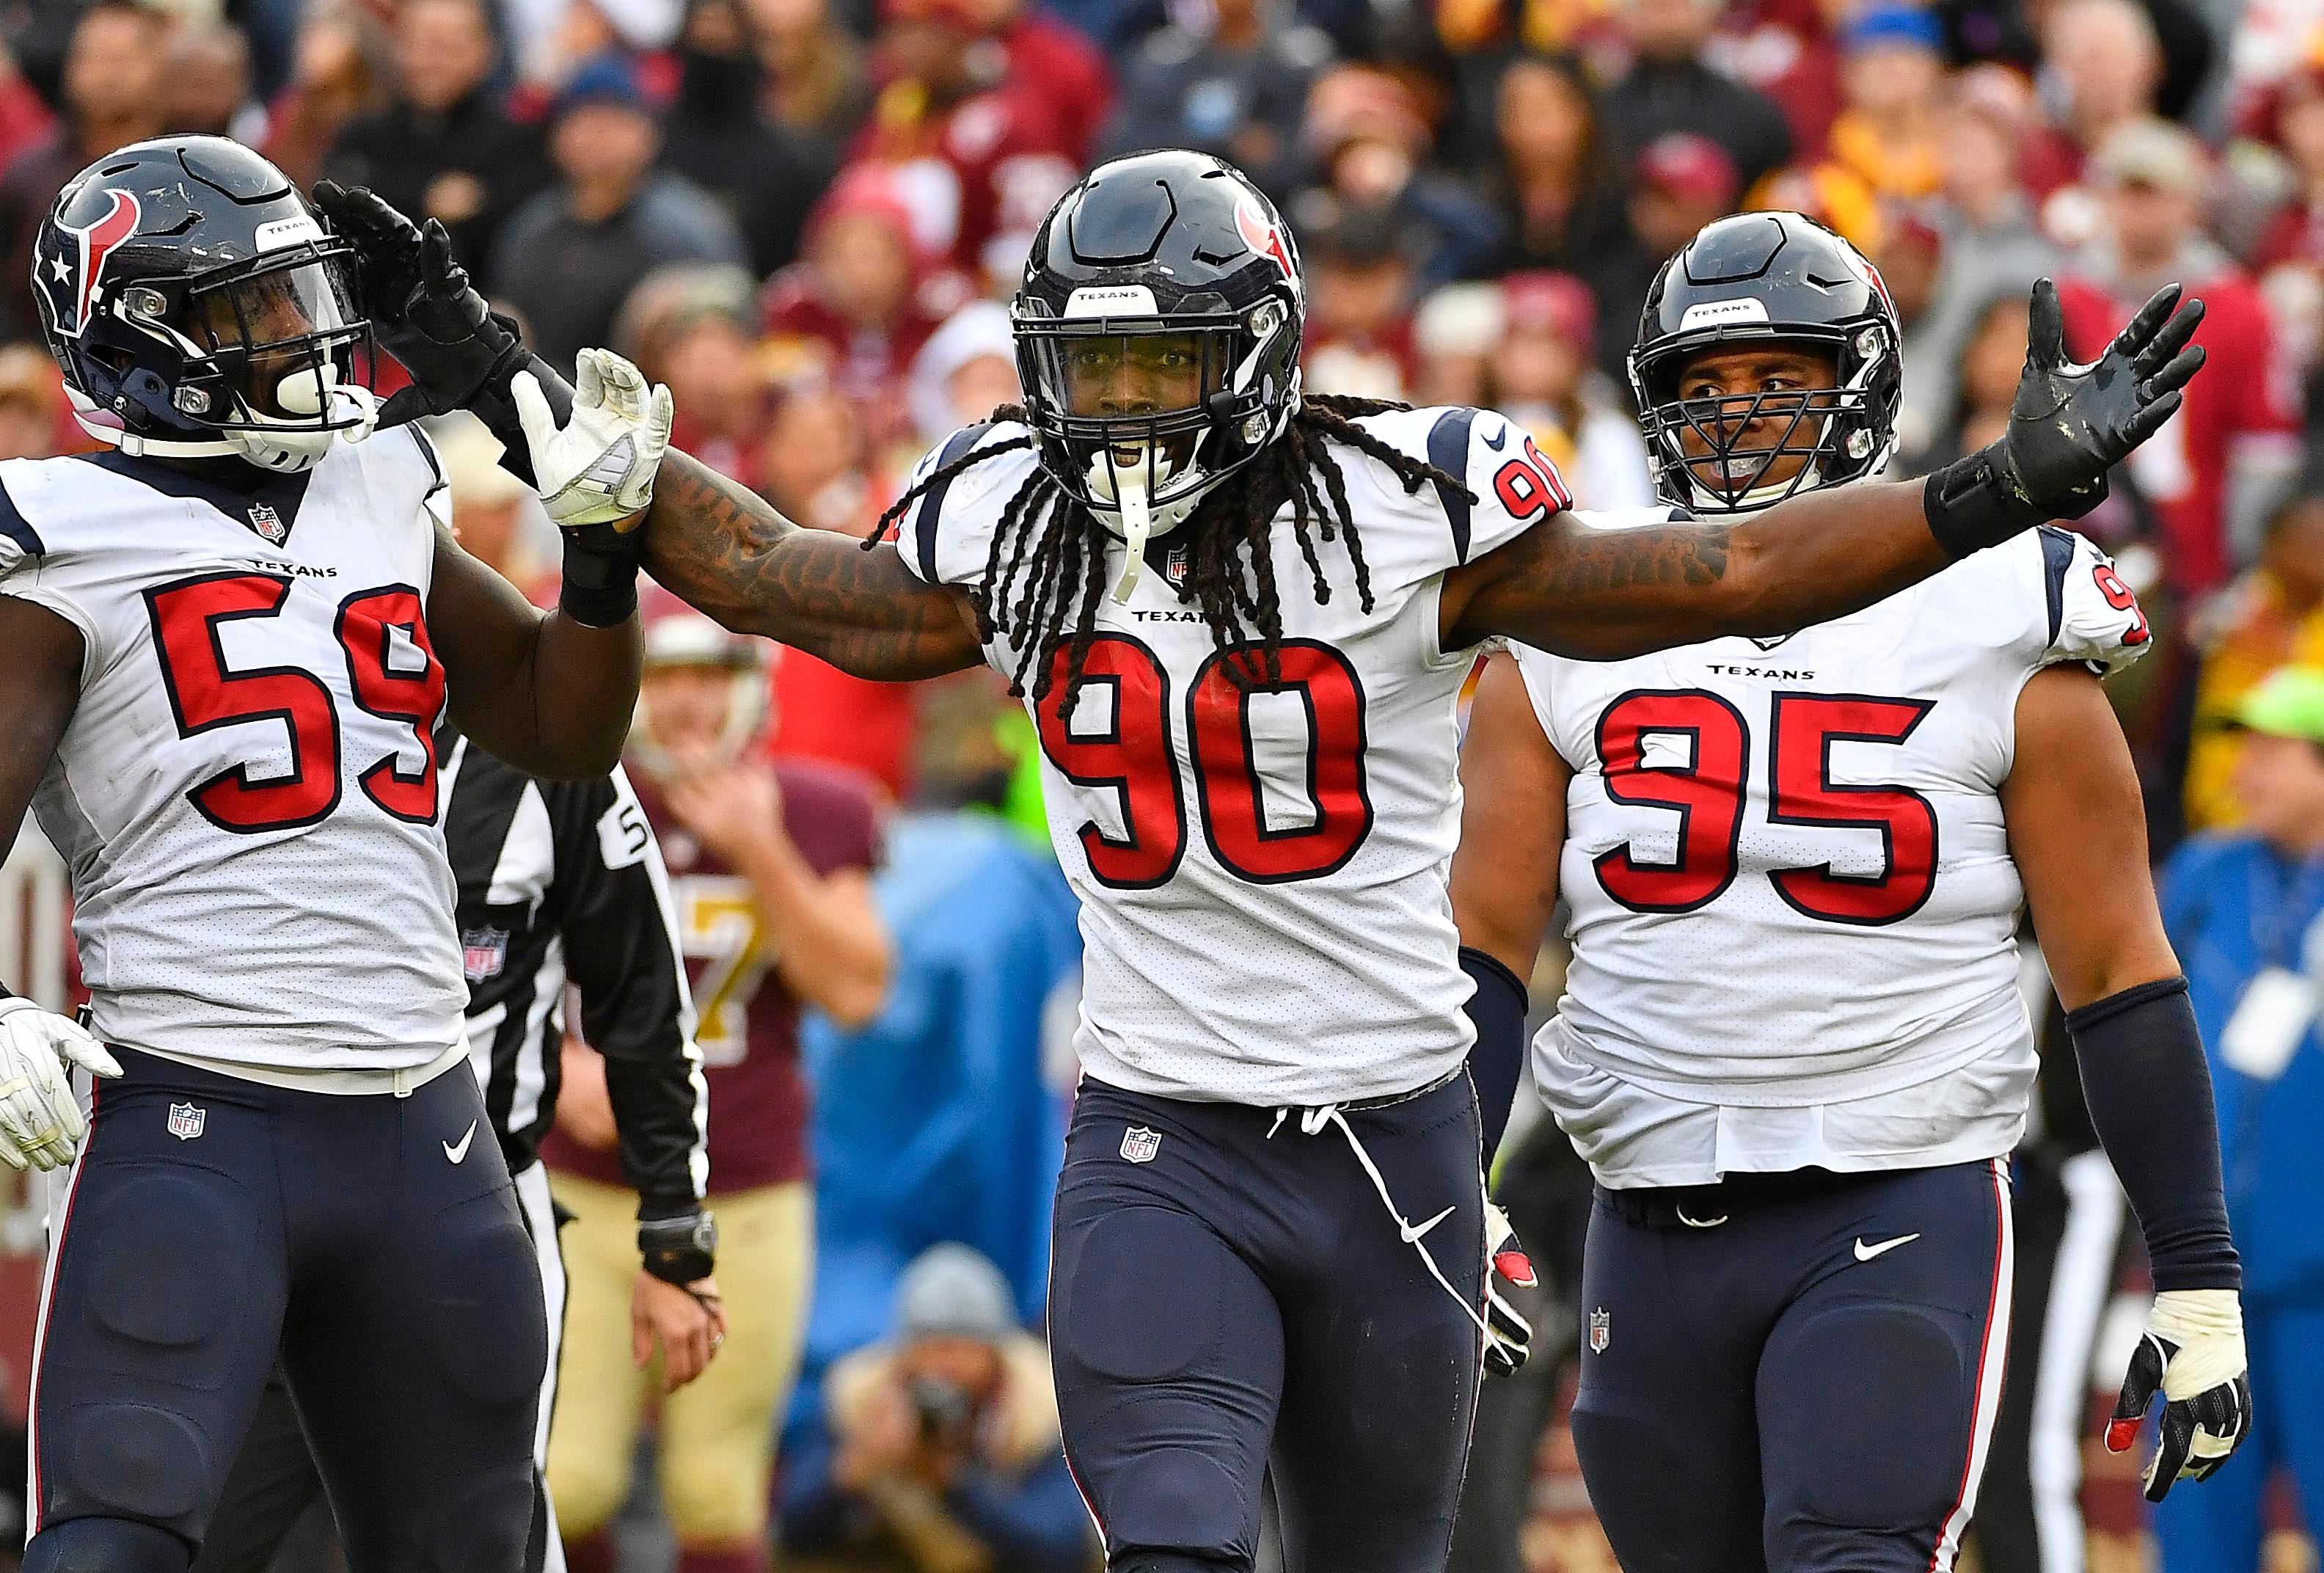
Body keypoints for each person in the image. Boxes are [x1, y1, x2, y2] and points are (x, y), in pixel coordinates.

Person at [324, 151, 2205, 1573]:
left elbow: (1710, 581)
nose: (1125, 403)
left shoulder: (1403, 505)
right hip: (1160, 1130)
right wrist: (499, 371)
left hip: (1394, 1144)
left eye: (1165, 358)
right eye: (1095, 360)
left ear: (1258, 351)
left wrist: (1985, 493)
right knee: (1173, 1541)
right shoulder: (1009, 513)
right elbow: (768, 576)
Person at [1448, 211, 2253, 1573]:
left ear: (1864, 384)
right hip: (1645, 1199)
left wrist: (2195, 1269)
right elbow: (1482, 947)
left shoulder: (2002, 602)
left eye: (1776, 376)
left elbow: (2114, 968)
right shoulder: (1573, 616)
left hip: (1896, 1183)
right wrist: (1446, 1182)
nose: (1736, 419)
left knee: (1854, 1552)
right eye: (1699, 390)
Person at [5, 134, 665, 1573]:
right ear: (139, 336)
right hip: (193, 1118)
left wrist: (602, 550)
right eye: (255, 310)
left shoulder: (378, 494)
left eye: (304, 298)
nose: (306, 340)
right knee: (111, 1543)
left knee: (476, 1545)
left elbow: (559, 723)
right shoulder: (56, 528)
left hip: (424, 1130)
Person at [191, 690, 720, 1573]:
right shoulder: (244, 715)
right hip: (263, 1198)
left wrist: (674, 1237)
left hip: (473, 1204)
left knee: (476, 1534)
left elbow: (646, 1009)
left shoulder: (552, 751)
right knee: (187, 1528)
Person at [542, 596, 888, 1573]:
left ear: (753, 691)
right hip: (585, 1183)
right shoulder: (564, 795)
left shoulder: (817, 809)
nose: (689, 703)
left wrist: (761, 849)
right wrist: (549, 1062)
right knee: (568, 1479)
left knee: (715, 1490)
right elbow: (472, 957)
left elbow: (856, 990)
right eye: (667, 675)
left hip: (745, 1187)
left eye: (713, 677)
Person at [2150, 665, 2324, 1573]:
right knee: (2196, 1514)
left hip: (2320, 1270)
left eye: (2269, 750)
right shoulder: (2206, 871)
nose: (2243, 771)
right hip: (2207, 1270)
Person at [779, 1242, 1097, 1573]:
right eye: (931, 1350)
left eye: (961, 1352)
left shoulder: (1037, 1418)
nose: (944, 1370)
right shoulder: (861, 1404)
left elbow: (1057, 1548)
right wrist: (854, 1467)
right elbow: (792, 1529)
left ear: (996, 1358)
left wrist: (954, 1483)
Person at [489, 51, 747, 374]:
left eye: (615, 123)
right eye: (585, 122)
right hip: (549, 402)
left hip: (658, 405)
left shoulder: (688, 224)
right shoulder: (532, 229)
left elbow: (740, 308)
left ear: (649, 134)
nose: (599, 139)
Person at [321, 0, 551, 282]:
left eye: (447, 48)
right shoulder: (360, 136)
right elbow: (342, 204)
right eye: (418, 44)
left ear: (485, 52)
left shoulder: (517, 143)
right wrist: (428, 197)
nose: (431, 62)